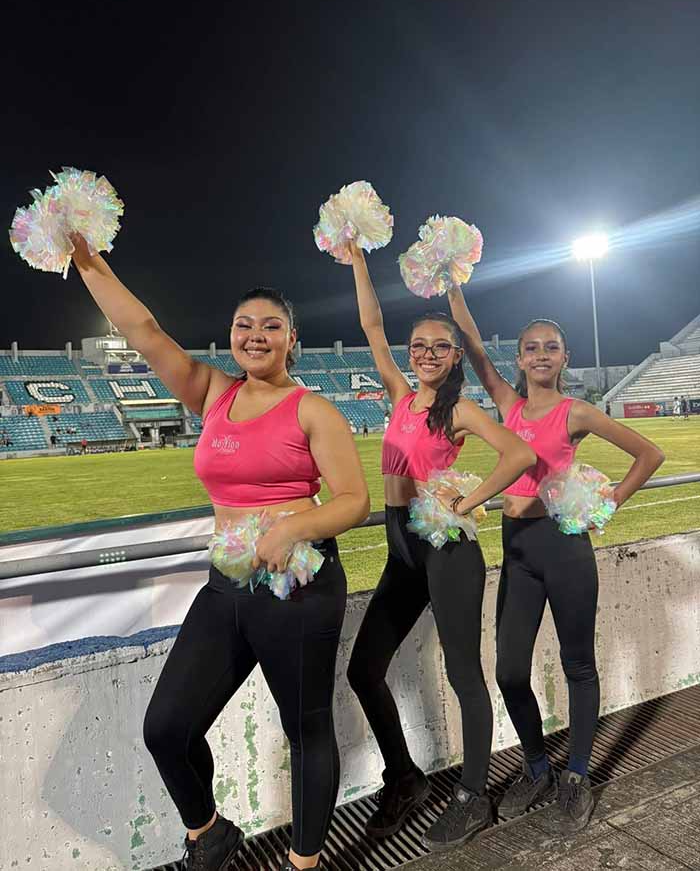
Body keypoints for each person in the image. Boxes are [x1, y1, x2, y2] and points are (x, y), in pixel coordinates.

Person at [68, 233, 369, 871]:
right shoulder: (212, 392)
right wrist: (87, 261)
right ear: (230, 335)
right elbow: (143, 330)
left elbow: (354, 501)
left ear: (292, 338)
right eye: (243, 325)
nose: (255, 335)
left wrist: (292, 528)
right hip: (227, 583)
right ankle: (208, 833)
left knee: (306, 728)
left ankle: (304, 862)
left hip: (298, 586)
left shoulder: (313, 410)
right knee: (167, 727)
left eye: (271, 326)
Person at [447, 284, 665, 833]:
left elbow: (649, 454)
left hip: (564, 548)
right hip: (517, 550)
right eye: (531, 347)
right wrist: (451, 282)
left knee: (578, 664)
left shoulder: (577, 412)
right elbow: (473, 346)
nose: (541, 354)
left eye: (551, 347)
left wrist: (607, 502)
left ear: (565, 357)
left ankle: (576, 775)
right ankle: (537, 766)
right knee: (509, 669)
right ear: (519, 359)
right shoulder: (508, 404)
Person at [345, 243, 536, 851]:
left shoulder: (460, 409)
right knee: (363, 669)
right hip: (401, 545)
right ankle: (404, 777)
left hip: (446, 547)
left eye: (440, 346)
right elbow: (371, 325)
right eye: (419, 346)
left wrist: (469, 498)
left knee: (462, 674)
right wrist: (356, 258)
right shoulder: (400, 396)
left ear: (455, 356)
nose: (427, 353)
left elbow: (519, 453)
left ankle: (473, 796)